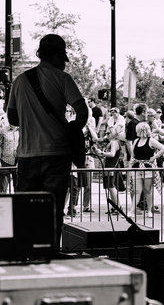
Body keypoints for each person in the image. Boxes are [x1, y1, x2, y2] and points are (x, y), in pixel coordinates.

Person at [7, 34, 88, 249]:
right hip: (57, 154)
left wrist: (30, 117)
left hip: (27, 154)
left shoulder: (20, 80)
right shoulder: (62, 78)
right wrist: (73, 128)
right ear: (56, 55)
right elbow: (82, 110)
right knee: (52, 210)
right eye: (62, 57)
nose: (63, 62)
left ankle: (25, 253)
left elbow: (12, 118)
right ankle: (50, 253)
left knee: (24, 210)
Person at [128, 122, 164, 218]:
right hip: (137, 167)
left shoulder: (151, 140)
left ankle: (149, 210)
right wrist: (130, 166)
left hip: (147, 167)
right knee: (137, 190)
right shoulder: (136, 141)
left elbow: (163, 148)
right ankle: (132, 210)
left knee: (147, 190)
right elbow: (133, 155)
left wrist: (155, 157)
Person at [0, 119, 19, 193]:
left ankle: (17, 202)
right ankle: (2, 203)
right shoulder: (3, 131)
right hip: (5, 161)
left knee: (17, 186)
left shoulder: (21, 131)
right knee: (3, 187)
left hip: (17, 162)